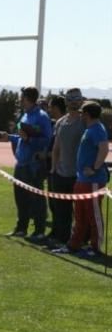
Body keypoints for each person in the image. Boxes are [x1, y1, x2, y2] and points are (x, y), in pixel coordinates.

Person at [52, 101, 109, 259]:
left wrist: (95, 168)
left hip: (93, 181)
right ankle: (74, 245)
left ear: (88, 114)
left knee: (93, 215)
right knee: (80, 215)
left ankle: (95, 247)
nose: (80, 115)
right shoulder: (90, 129)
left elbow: (104, 149)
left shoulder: (97, 129)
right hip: (82, 180)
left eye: (82, 113)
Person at [0, 86, 53, 240]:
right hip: (21, 164)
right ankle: (21, 228)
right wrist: (9, 137)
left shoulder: (42, 117)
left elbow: (47, 140)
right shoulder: (24, 116)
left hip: (33, 165)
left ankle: (39, 231)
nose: (20, 100)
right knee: (20, 198)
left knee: (36, 199)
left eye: (22, 97)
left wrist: (29, 139)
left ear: (28, 98)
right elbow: (21, 137)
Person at [47, 91, 84, 246]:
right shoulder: (61, 122)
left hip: (79, 175)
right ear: (67, 102)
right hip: (61, 173)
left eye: (77, 100)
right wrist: (54, 168)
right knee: (61, 210)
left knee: (81, 212)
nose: (74, 103)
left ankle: (82, 241)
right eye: (71, 100)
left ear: (81, 101)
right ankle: (61, 239)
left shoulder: (85, 121)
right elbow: (57, 147)